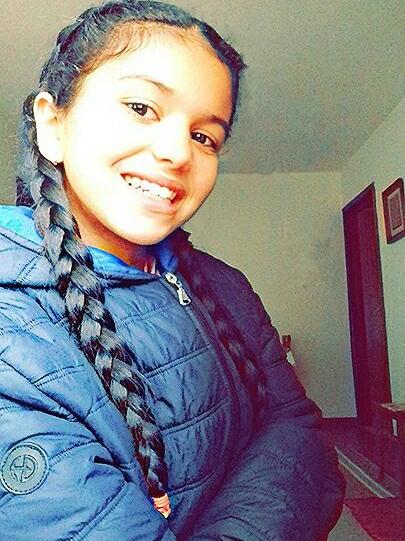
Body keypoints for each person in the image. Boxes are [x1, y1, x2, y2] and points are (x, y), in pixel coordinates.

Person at [0, 1, 345, 539]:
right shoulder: (13, 329)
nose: (178, 153)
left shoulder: (226, 286)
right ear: (52, 123)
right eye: (141, 107)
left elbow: (301, 432)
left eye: (205, 137)